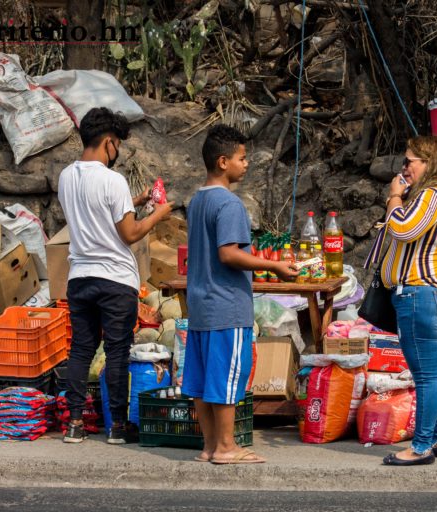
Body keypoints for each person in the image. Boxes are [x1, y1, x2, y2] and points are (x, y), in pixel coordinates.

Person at [183, 124, 297, 464]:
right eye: (242, 158)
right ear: (223, 162)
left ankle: (209, 446)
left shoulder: (197, 200)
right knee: (226, 379)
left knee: (202, 381)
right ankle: (226, 447)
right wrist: (273, 266)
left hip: (200, 305)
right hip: (226, 306)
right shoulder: (229, 204)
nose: (246, 164)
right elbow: (228, 253)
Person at [59, 107, 173, 444]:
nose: (117, 151)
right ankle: (118, 427)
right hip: (115, 280)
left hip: (80, 277)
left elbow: (95, 213)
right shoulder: (113, 180)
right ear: (109, 142)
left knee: (81, 350)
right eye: (117, 145)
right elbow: (130, 233)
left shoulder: (66, 176)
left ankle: (74, 424)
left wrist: (134, 201)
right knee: (117, 351)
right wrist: (160, 213)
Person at [378, 135, 437, 466]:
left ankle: (420, 447)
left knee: (427, 377)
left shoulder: (430, 195)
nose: (404, 168)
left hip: (422, 295)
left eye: (409, 161)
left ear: (427, 163)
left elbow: (402, 229)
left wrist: (394, 197)